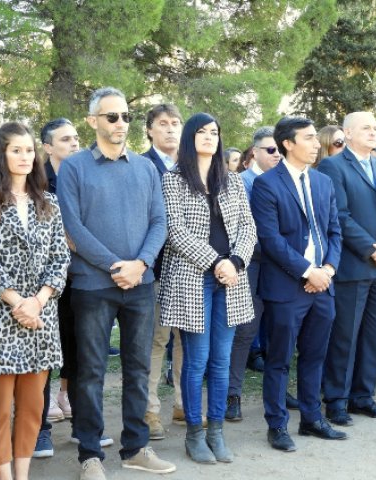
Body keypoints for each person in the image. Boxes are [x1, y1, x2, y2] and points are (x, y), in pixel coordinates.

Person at [57, 87, 175, 479]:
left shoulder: (145, 168)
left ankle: (136, 448)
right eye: (111, 116)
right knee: (90, 371)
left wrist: (140, 264)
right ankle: (90, 454)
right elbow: (72, 225)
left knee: (139, 369)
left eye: (125, 115)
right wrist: (114, 266)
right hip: (92, 286)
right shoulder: (74, 167)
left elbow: (160, 221)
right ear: (93, 121)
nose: (120, 123)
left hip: (140, 285)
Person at [158, 112, 256, 464]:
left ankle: (216, 431)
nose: (209, 137)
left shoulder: (231, 180)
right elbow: (176, 231)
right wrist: (216, 262)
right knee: (196, 360)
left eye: (214, 132)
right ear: (189, 138)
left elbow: (248, 227)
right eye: (201, 132)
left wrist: (236, 263)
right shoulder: (173, 180)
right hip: (192, 279)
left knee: (221, 360)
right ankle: (194, 434)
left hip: (231, 280)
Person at [252, 116, 345, 452]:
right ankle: (277, 425)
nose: (316, 143)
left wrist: (328, 270)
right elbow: (270, 240)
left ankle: (312, 419)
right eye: (308, 138)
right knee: (278, 360)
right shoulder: (267, 184)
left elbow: (334, 230)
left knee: (314, 356)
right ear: (288, 144)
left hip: (324, 285)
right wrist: (309, 272)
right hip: (287, 288)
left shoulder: (322, 182)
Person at [0, 122, 70, 480]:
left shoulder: (47, 201)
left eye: (28, 150)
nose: (24, 156)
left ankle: (23, 475)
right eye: (15, 150)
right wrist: (17, 302)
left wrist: (39, 301)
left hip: (41, 317)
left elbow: (60, 258)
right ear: (0, 155)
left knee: (34, 408)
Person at [318, 111, 376, 425]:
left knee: (374, 336)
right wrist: (373, 249)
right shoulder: (333, 165)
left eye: (375, 128)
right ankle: (337, 400)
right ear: (348, 133)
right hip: (354, 266)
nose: (373, 132)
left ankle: (363, 396)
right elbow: (339, 215)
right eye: (366, 128)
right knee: (345, 336)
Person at [32, 118, 81, 460]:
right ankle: (40, 431)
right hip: (47, 283)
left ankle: (84, 425)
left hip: (83, 277)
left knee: (80, 352)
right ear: (48, 147)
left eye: (77, 137)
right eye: (66, 139)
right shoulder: (36, 182)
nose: (74, 143)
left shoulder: (87, 175)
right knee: (45, 357)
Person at [226, 126, 280, 422]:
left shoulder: (286, 181)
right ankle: (232, 394)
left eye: (279, 150)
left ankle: (279, 392)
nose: (276, 155)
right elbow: (241, 232)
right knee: (245, 333)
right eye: (270, 150)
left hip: (282, 269)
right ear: (254, 152)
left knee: (279, 332)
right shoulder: (240, 183)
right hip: (252, 267)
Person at [142, 104, 186, 440]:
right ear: (149, 130)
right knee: (157, 340)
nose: (170, 129)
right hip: (156, 267)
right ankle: (149, 410)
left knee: (187, 340)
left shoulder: (192, 166)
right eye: (163, 123)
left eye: (175, 123)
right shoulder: (142, 165)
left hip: (189, 270)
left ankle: (183, 404)